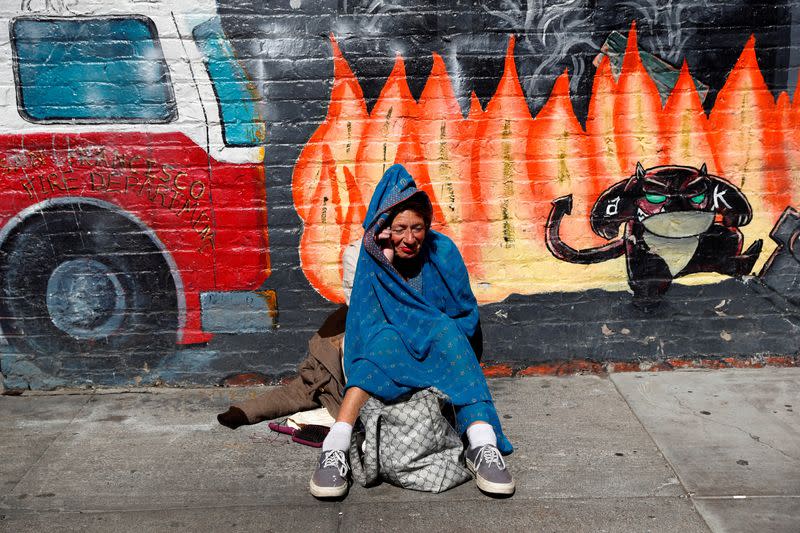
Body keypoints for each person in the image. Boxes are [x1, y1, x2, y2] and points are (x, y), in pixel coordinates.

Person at [310, 164, 514, 498]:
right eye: (400, 228)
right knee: (385, 342)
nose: (410, 238)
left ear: (427, 226)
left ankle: (482, 446)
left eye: (417, 228)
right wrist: (385, 260)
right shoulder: (371, 258)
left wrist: (429, 337)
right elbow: (365, 320)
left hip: (436, 345)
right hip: (384, 348)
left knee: (446, 331)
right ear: (385, 228)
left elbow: (464, 312)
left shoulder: (442, 251)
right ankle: (335, 448)